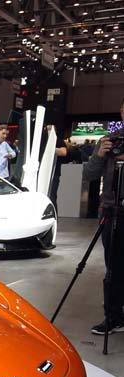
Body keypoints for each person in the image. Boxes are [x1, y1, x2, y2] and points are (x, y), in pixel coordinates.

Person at [83, 96, 124, 335]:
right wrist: (100, 154)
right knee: (113, 268)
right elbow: (89, 174)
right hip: (111, 212)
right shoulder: (108, 141)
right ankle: (114, 316)